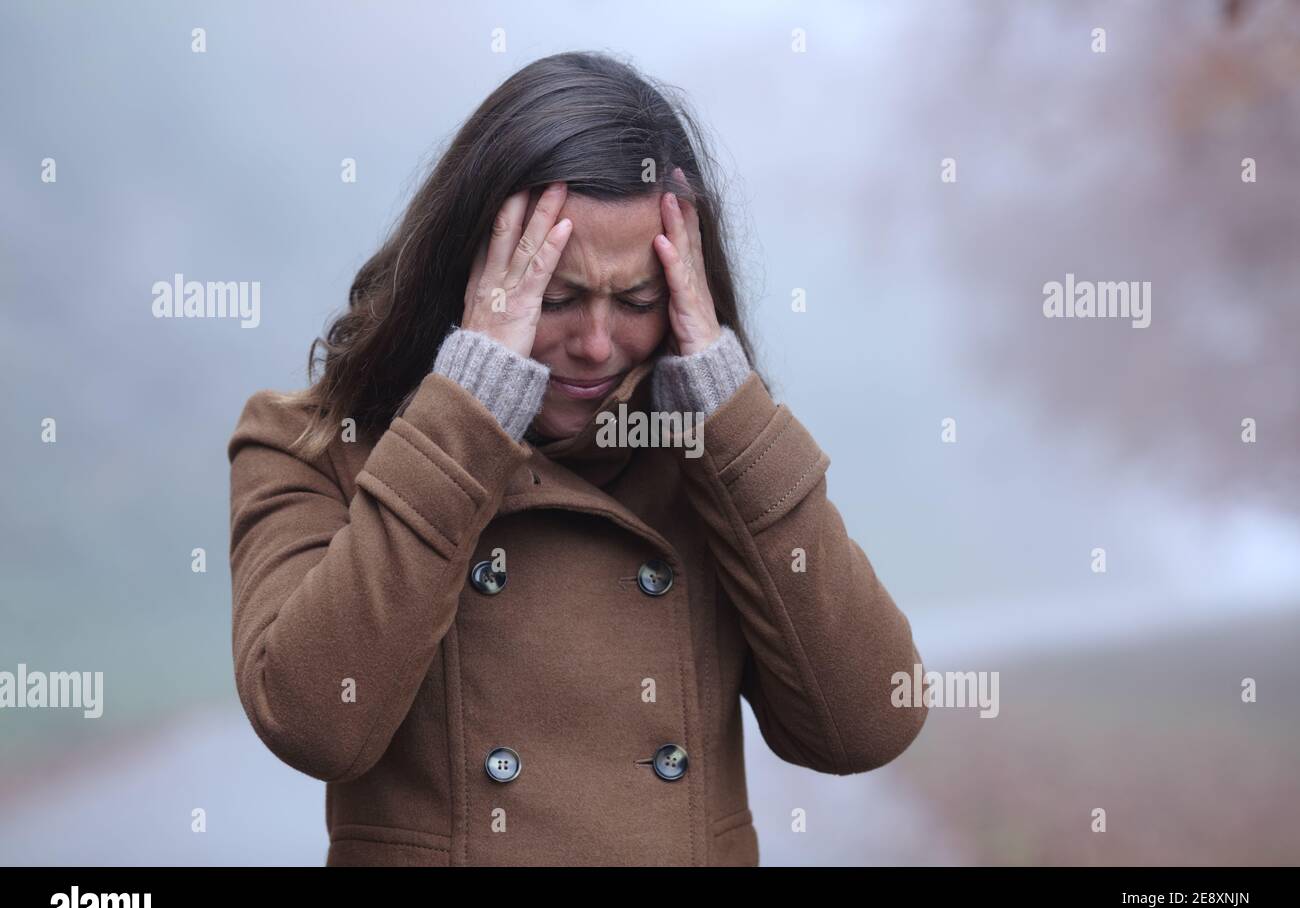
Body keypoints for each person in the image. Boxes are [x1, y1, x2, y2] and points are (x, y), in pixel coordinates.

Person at [226, 50, 928, 866]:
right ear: (466, 271)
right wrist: (469, 403)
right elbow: (315, 724)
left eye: (637, 301)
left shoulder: (708, 456)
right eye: (553, 298)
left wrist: (728, 408)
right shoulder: (313, 444)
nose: (595, 345)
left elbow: (868, 722)